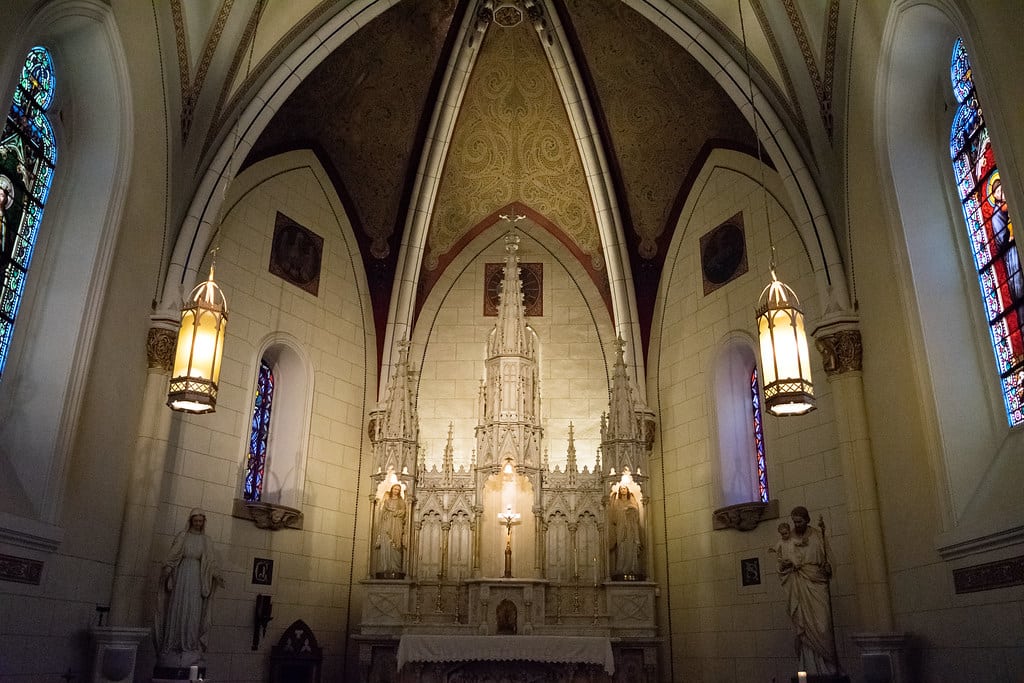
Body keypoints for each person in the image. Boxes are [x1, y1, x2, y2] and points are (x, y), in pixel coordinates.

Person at [154, 509, 225, 662]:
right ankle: (173, 643)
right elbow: (172, 557)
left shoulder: (206, 540)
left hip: (197, 579)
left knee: (194, 612)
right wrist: (167, 569)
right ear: (191, 521)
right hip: (182, 577)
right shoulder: (183, 536)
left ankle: (190, 645)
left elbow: (211, 562)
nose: (198, 524)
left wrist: (216, 575)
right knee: (178, 609)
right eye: (195, 521)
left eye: (200, 521)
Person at [776, 506, 838, 675]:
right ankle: (809, 668)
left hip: (817, 583)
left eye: (800, 521)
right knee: (803, 626)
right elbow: (781, 564)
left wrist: (828, 568)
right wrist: (785, 566)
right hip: (798, 582)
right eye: (794, 522)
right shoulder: (789, 539)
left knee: (823, 624)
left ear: (807, 520)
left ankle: (829, 666)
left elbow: (830, 560)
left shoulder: (818, 535)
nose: (797, 525)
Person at [990, 176, 1024, 331]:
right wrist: (1010, 236)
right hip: (1011, 255)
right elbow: (1000, 239)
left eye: (1001, 188)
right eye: (997, 191)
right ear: (995, 196)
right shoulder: (997, 214)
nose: (1000, 192)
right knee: (1020, 289)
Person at [610, 485, 642, 579]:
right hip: (621, 528)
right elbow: (614, 517)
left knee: (631, 547)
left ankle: (632, 569)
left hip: (630, 528)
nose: (623, 490)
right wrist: (624, 512)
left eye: (625, 488)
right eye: (621, 489)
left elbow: (636, 513)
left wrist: (630, 510)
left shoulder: (631, 500)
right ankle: (621, 569)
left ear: (627, 490)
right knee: (621, 547)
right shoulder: (617, 502)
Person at [375, 483, 407, 577]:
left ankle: (395, 568)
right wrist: (388, 514)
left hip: (396, 525)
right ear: (392, 489)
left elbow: (403, 512)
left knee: (396, 546)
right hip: (387, 525)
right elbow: (382, 513)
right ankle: (385, 567)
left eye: (398, 489)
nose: (396, 491)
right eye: (395, 489)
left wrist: (396, 513)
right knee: (386, 545)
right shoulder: (387, 501)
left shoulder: (401, 501)